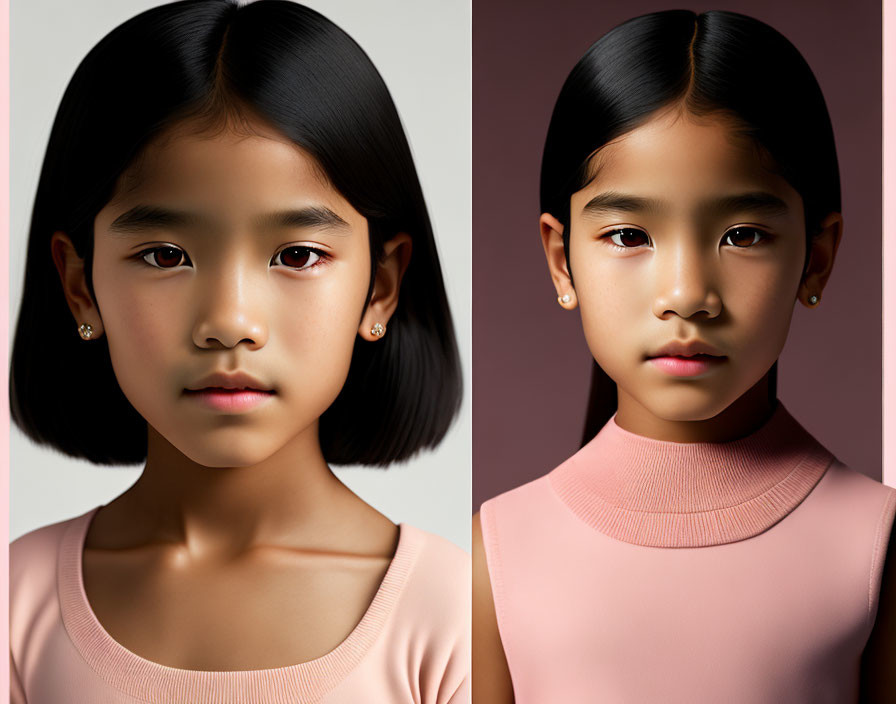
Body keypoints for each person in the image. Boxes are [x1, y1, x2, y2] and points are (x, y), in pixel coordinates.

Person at [9, 1, 468, 702]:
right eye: (165, 255)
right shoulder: (16, 605)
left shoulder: (456, 617)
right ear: (79, 286)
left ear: (380, 285)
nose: (229, 322)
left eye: (297, 254)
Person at [472, 9, 895, 703]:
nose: (687, 295)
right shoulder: (498, 551)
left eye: (745, 235)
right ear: (561, 259)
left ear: (816, 259)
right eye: (631, 234)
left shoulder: (876, 541)